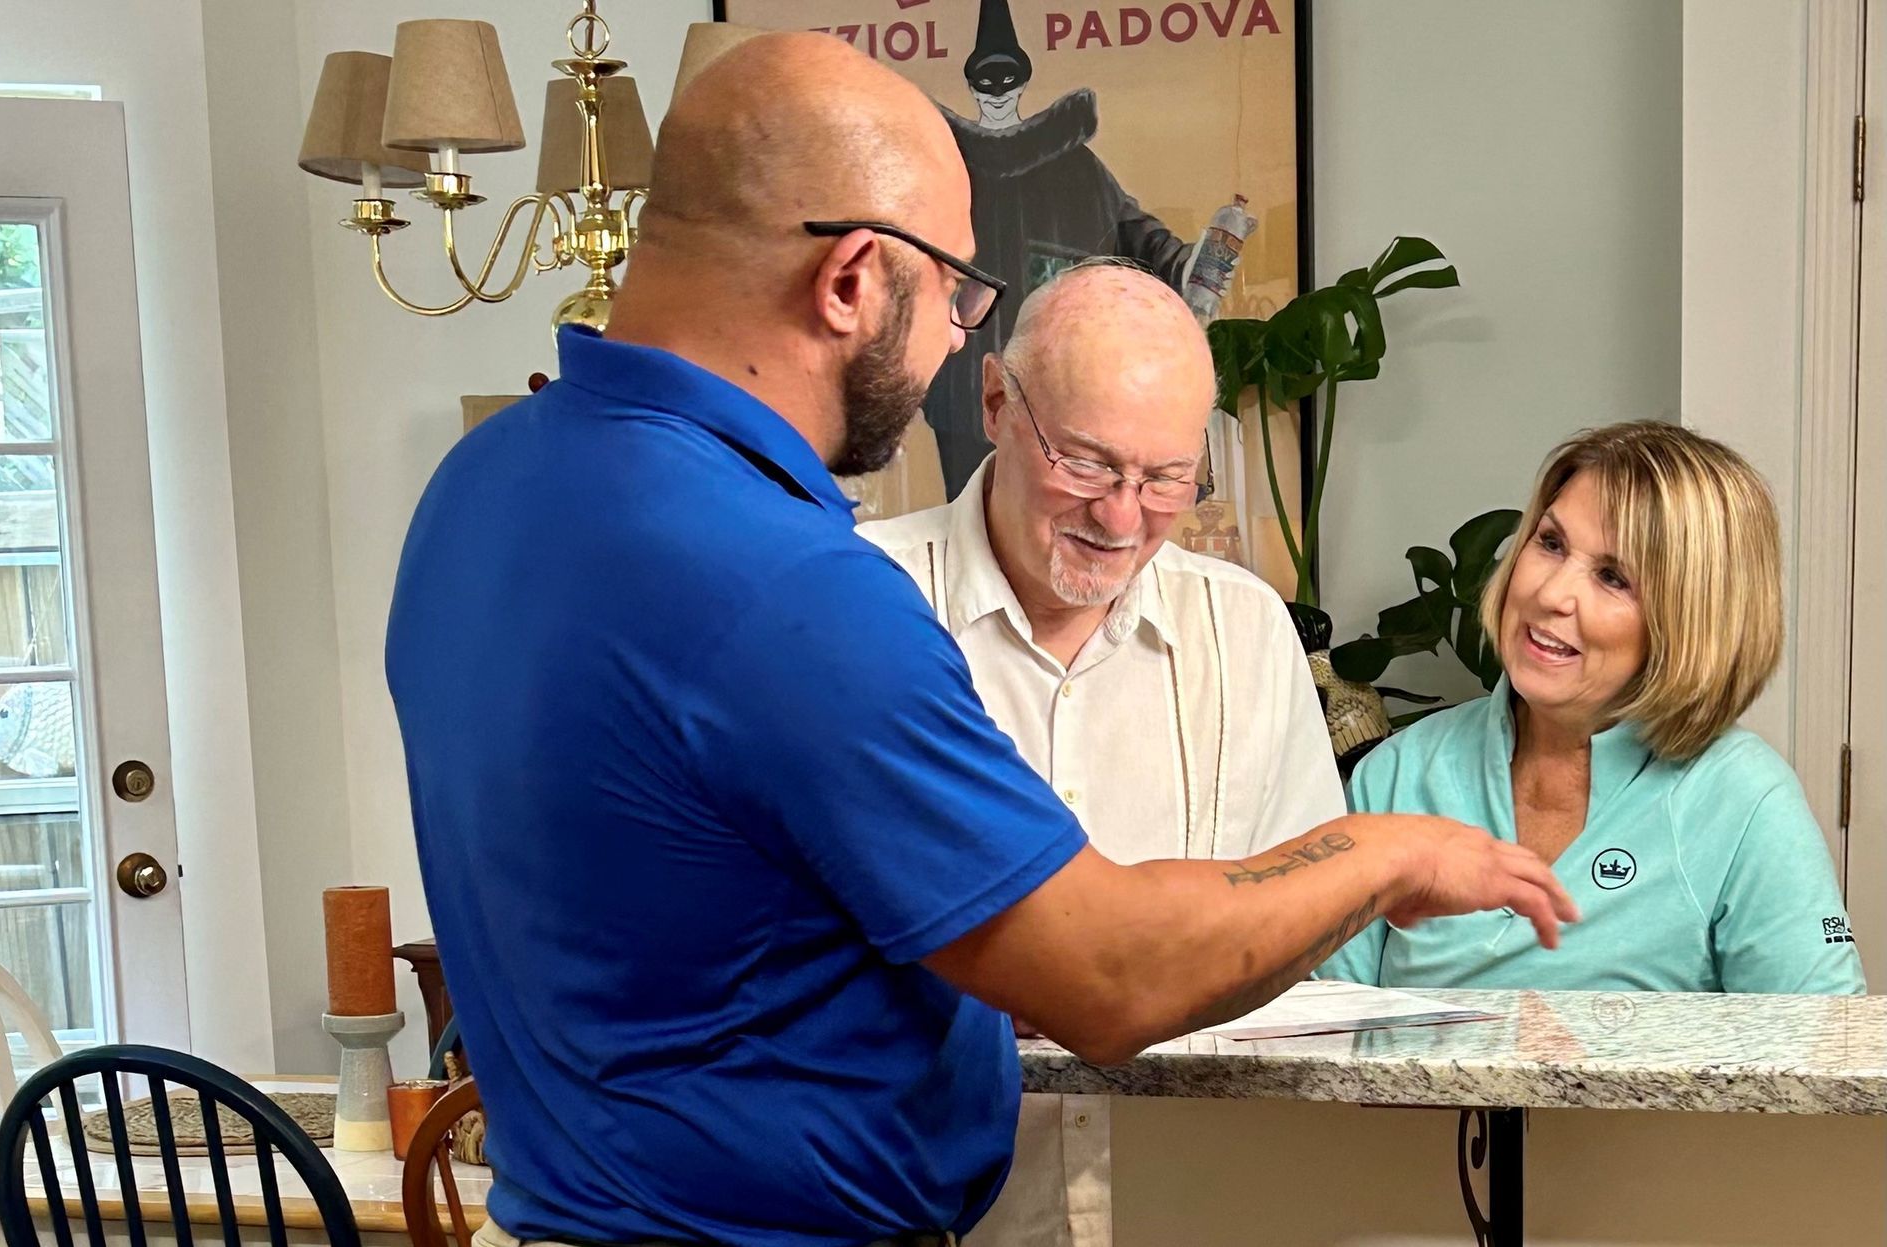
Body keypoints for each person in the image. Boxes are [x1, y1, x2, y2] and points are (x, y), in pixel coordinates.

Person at [386, 32, 1576, 1247]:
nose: (958, 335)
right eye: (954, 290)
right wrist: (1382, 849)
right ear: (851, 279)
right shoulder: (790, 585)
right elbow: (1109, 976)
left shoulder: (477, 492)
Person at [859, 260, 1343, 1247]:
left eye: (1165, 476)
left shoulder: (1245, 628)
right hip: (928, 1216)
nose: (1122, 517)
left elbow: (1302, 930)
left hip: (1201, 1207)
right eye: (1085, 462)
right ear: (995, 401)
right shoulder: (860, 603)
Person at [1319, 422, 1865, 995]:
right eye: (1550, 543)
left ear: (1692, 622)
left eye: (1613, 578)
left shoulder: (1743, 799)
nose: (1551, 594)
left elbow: (1818, 1059)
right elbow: (1324, 1039)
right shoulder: (1397, 775)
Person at [923, 0, 1198, 488]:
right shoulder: (941, 166)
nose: (996, 92)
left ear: (1023, 80)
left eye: (1006, 78)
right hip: (962, 384)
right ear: (970, 85)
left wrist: (1191, 265)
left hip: (1060, 382)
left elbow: (1138, 233)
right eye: (986, 80)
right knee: (963, 509)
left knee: (1056, 501)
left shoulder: (1076, 167)